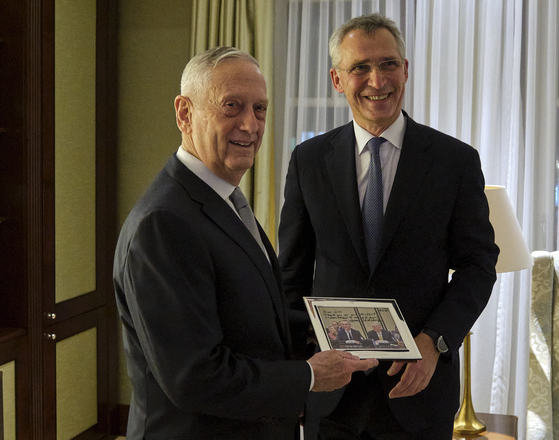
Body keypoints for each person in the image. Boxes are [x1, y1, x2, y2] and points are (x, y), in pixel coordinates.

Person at [113, 46, 377, 440]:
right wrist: (309, 375)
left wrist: (331, 330)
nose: (250, 125)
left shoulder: (224, 200)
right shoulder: (164, 223)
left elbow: (249, 315)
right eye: (231, 106)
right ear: (184, 113)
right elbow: (195, 378)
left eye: (260, 109)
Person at [278, 13, 499, 439]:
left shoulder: (454, 161)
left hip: (417, 389)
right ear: (337, 80)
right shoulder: (308, 161)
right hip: (332, 392)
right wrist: (304, 362)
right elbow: (292, 275)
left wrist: (434, 340)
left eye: (388, 64)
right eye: (360, 67)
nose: (377, 81)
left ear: (406, 70)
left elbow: (478, 265)